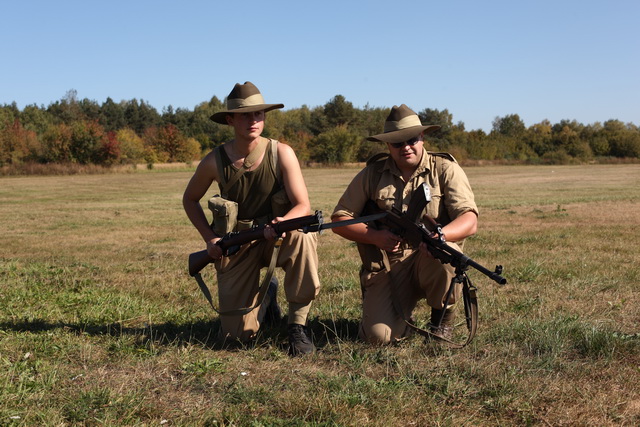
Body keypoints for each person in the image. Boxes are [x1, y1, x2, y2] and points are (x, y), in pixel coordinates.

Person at [183, 81, 319, 356]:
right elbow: (190, 199)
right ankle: (267, 295)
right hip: (239, 243)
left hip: (276, 237)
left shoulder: (282, 152)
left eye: (258, 114)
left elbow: (302, 205)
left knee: (303, 236)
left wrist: (280, 224)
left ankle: (297, 326)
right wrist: (211, 239)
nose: (253, 120)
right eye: (245, 115)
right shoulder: (214, 160)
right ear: (231, 120)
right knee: (235, 336)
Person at [330, 104, 479, 345]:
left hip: (430, 256)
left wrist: (440, 237)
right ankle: (399, 318)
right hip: (390, 266)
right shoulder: (373, 173)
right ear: (387, 145)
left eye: (411, 140)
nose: (405, 147)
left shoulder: (445, 169)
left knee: (446, 254)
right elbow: (339, 220)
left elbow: (469, 220)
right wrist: (374, 237)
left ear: (422, 137)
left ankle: (441, 321)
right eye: (397, 143)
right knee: (378, 338)